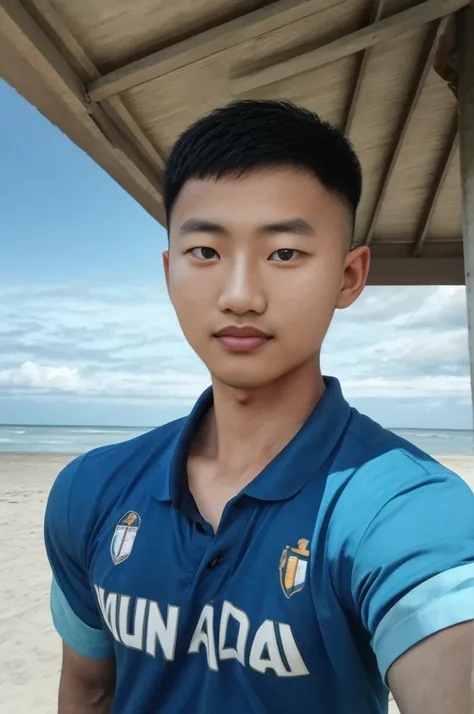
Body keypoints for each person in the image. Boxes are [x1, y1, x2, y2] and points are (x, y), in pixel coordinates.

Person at [44, 100, 474, 714]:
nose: (240, 296)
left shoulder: (404, 509)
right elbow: (89, 691)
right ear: (170, 272)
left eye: (284, 254)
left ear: (349, 277)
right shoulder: (90, 489)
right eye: (206, 253)